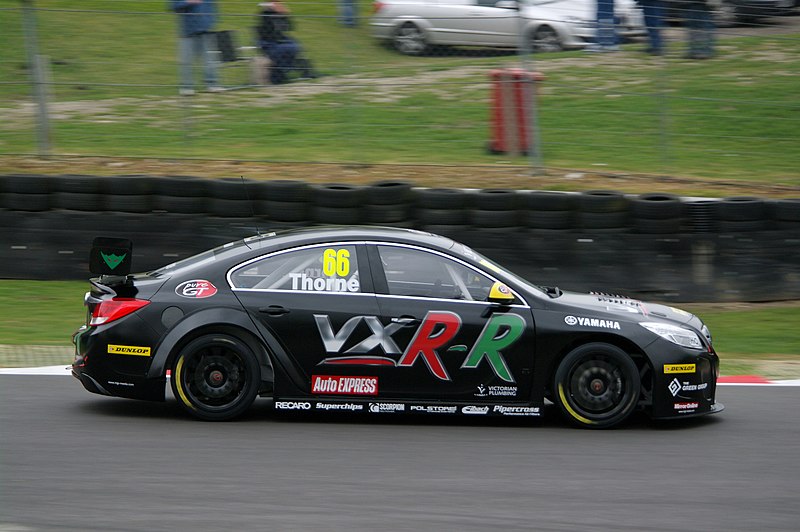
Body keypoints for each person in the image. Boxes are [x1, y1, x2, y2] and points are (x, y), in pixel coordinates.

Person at [256, 1, 316, 84]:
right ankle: (281, 73)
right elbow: (269, 31)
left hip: (279, 41)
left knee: (294, 46)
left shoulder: (276, 15)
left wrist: (285, 15)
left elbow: (289, 27)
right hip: (268, 44)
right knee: (288, 48)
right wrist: (278, 14)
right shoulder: (264, 15)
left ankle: (284, 72)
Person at [170, 0, 221, 95]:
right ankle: (187, 87)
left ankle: (212, 84)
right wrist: (188, 2)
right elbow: (174, 6)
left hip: (206, 29)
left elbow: (213, 7)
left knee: (210, 59)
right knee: (186, 60)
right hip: (188, 30)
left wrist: (212, 21)